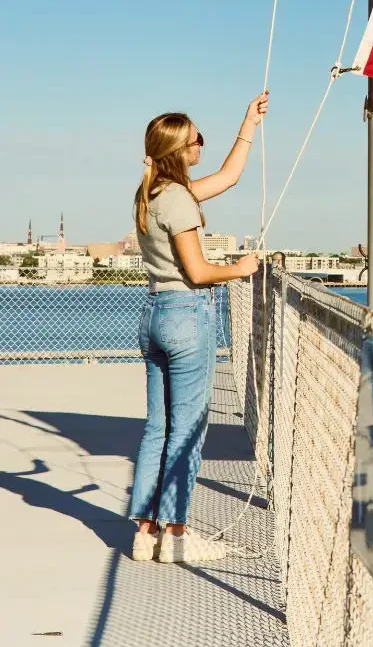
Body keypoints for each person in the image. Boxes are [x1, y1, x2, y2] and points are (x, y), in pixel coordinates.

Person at [127, 92, 268, 563]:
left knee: (158, 428)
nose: (201, 147)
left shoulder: (151, 195)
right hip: (187, 315)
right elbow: (199, 272)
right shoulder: (181, 202)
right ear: (179, 151)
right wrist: (242, 267)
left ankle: (145, 533)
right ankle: (179, 537)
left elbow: (229, 177)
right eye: (196, 140)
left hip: (153, 316)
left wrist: (248, 122)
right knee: (187, 431)